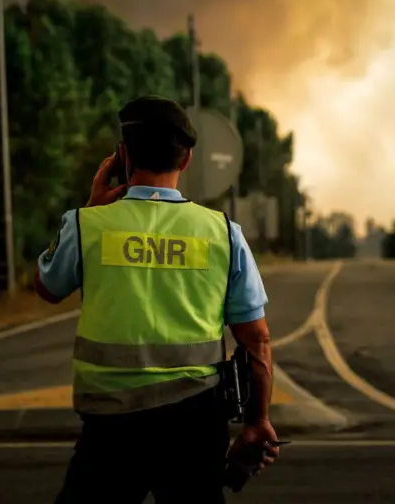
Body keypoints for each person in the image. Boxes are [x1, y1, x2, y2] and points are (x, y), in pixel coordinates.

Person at [35, 95, 280, 503]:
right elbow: (257, 341)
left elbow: (47, 289)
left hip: (109, 428)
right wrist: (257, 422)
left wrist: (92, 207)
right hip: (195, 428)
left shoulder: (85, 225)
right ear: (185, 161)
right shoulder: (223, 232)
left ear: (122, 156)